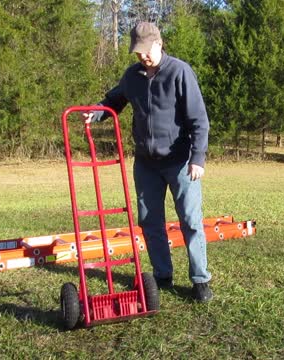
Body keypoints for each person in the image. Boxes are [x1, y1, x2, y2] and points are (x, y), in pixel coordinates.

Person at [83, 22, 212, 302]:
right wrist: (97, 114)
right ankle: (162, 274)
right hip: (146, 164)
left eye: (146, 51)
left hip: (179, 162)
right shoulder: (133, 76)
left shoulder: (180, 72)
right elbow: (115, 99)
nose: (143, 57)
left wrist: (197, 158)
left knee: (190, 220)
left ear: (159, 43)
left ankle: (200, 280)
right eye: (138, 52)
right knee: (150, 222)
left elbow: (199, 120)